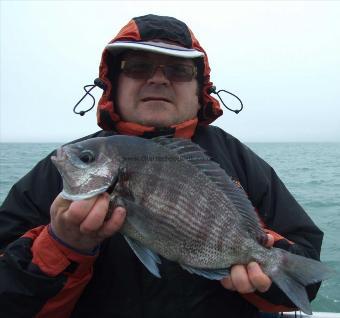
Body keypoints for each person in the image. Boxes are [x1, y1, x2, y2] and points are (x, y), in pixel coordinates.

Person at [0, 14, 323, 318]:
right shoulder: (57, 170)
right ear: (113, 81)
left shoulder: (239, 159)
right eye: (138, 67)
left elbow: (305, 279)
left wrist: (263, 260)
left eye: (179, 70)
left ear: (200, 88)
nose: (158, 79)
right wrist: (62, 244)